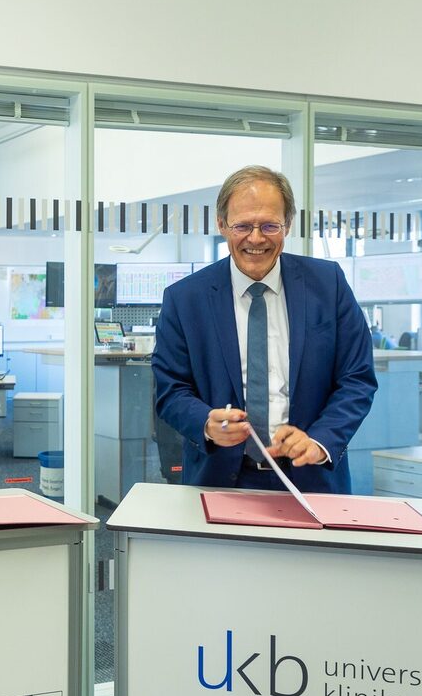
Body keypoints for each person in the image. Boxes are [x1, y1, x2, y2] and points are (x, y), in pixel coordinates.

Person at [152, 165, 377, 493]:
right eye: (242, 225)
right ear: (221, 225)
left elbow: (357, 379)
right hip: (219, 479)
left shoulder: (329, 285)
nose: (255, 238)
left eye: (269, 225)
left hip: (312, 476)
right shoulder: (185, 299)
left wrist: (319, 440)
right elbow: (170, 388)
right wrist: (205, 423)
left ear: (287, 224)